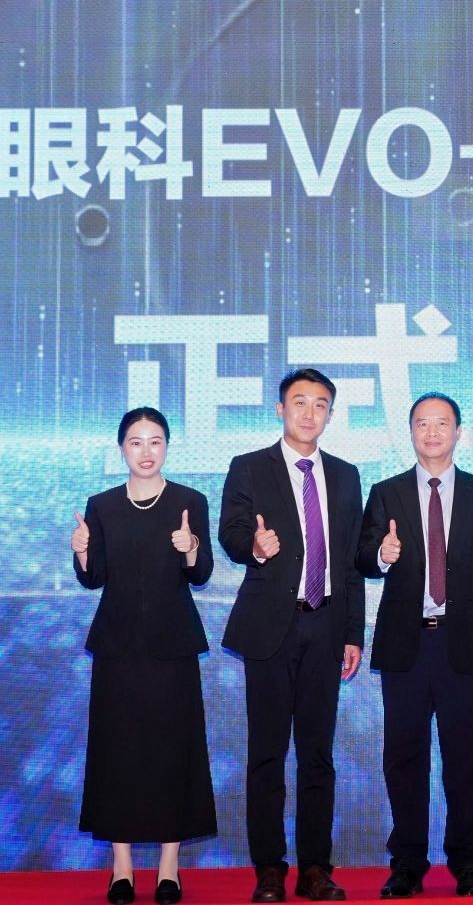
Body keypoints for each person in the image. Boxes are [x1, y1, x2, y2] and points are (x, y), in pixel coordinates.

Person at [354, 392, 473, 899]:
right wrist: (382, 553)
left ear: (458, 432)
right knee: (403, 758)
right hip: (406, 644)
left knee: (463, 758)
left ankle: (468, 863)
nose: (432, 432)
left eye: (442, 423)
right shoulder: (386, 492)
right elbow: (362, 557)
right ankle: (407, 863)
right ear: (411, 432)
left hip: (464, 644)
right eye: (422, 423)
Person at [218, 369, 366, 904]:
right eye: (299, 402)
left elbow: (350, 560)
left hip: (326, 625)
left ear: (330, 414)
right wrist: (255, 547)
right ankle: (268, 870)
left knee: (317, 755)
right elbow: (231, 533)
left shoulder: (346, 475)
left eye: (320, 404)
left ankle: (315, 869)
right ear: (280, 409)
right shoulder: (249, 466)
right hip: (270, 628)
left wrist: (353, 633)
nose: (309, 413)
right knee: (267, 753)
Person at [72, 407, 216, 905]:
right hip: (117, 649)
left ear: (168, 446)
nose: (146, 451)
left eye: (155, 441)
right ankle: (122, 868)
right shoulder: (102, 505)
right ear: (122, 449)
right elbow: (93, 577)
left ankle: (169, 868)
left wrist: (190, 546)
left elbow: (201, 573)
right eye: (136, 442)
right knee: (118, 753)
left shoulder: (189, 501)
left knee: (173, 752)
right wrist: (83, 550)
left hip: (172, 647)